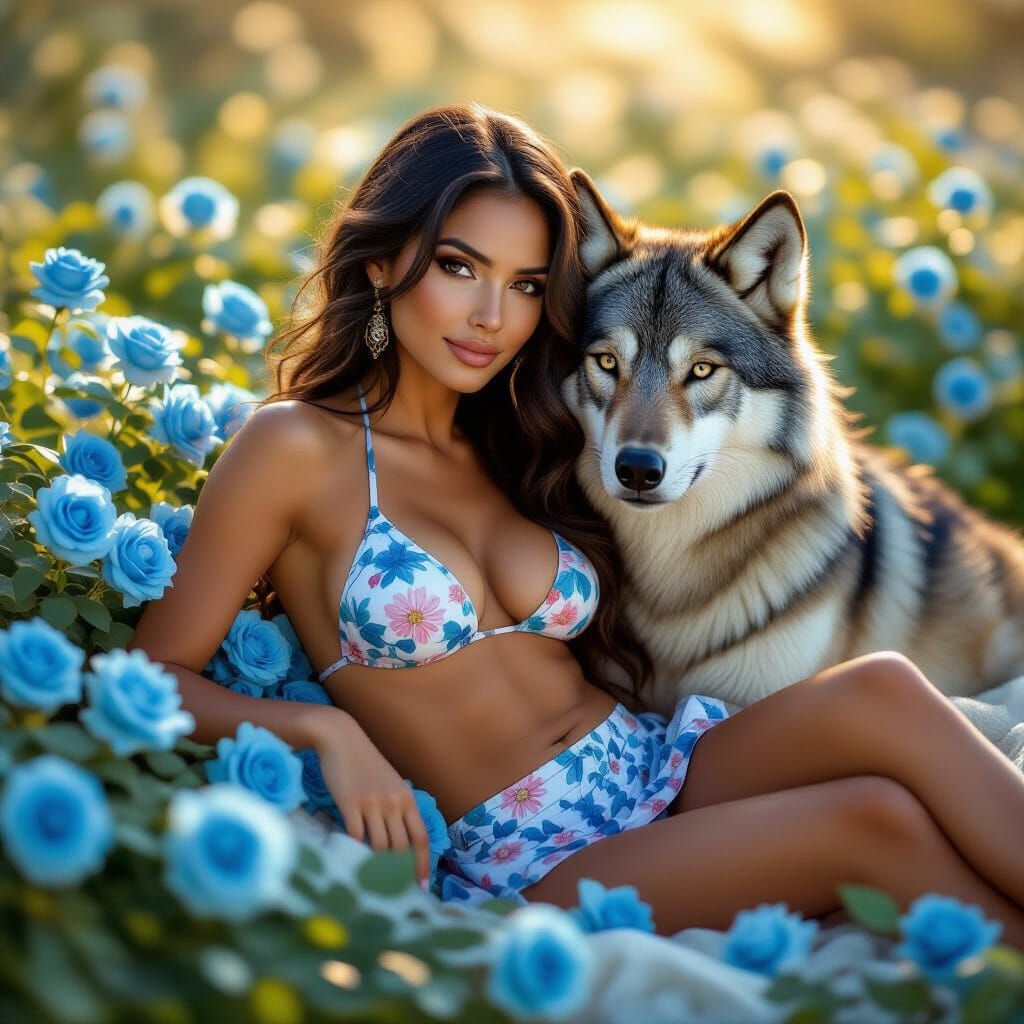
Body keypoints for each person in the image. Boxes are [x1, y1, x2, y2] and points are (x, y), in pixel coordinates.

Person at [127, 103, 1024, 945]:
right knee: (875, 821)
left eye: (524, 285)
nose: (492, 317)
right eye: (457, 267)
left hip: (647, 766)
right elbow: (152, 675)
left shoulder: (527, 433)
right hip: (535, 853)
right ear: (379, 261)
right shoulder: (295, 447)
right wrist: (330, 734)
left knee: (887, 692)